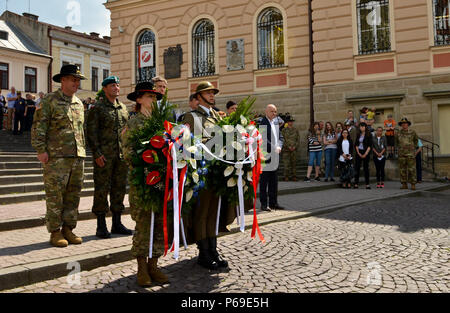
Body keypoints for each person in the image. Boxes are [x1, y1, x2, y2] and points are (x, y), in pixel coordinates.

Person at [31, 64, 86, 248]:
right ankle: (55, 232)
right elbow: (39, 127)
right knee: (55, 196)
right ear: (62, 80)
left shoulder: (79, 103)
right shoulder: (49, 101)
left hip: (77, 157)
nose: (76, 83)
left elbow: (80, 131)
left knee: (73, 195)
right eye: (73, 79)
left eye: (78, 80)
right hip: (56, 158)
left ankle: (68, 229)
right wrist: (40, 150)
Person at [182, 81, 233, 270]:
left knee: (214, 211)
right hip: (201, 172)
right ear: (198, 96)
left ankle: (213, 249)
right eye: (208, 93)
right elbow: (187, 143)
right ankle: (203, 251)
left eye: (213, 93)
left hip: (217, 172)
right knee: (202, 213)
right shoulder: (191, 116)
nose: (212, 95)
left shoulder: (217, 117)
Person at [122, 81, 168, 287]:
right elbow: (128, 154)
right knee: (143, 225)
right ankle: (141, 268)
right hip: (142, 181)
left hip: (160, 182)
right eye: (150, 96)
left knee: (159, 224)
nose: (154, 100)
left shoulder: (160, 123)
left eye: (156, 97)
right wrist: (148, 163)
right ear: (139, 100)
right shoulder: (133, 123)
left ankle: (154, 265)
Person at [87, 76, 132, 239]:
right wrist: (97, 153)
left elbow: (126, 132)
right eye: (112, 85)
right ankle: (101, 225)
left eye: (118, 85)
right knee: (101, 189)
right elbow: (91, 133)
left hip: (120, 156)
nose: (116, 88)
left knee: (119, 189)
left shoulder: (123, 108)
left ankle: (117, 223)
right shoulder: (97, 108)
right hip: (104, 157)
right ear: (105, 88)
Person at [258, 104, 285, 211]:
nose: (274, 113)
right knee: (264, 181)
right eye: (272, 111)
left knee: (274, 181)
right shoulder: (262, 123)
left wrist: (279, 146)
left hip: (275, 155)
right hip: (266, 156)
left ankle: (274, 203)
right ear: (266, 112)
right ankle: (264, 204)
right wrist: (274, 147)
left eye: (275, 111)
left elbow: (281, 137)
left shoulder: (276, 123)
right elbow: (263, 138)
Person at [396, 118, 418, 190]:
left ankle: (413, 184)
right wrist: (399, 150)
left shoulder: (413, 132)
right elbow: (396, 143)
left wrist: (413, 148)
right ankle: (404, 184)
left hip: (410, 154)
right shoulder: (398, 133)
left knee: (412, 169)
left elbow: (416, 141)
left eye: (405, 123)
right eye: (402, 123)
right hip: (401, 154)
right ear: (401, 125)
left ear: (408, 124)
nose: (404, 124)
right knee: (402, 170)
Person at [353, 122, 372, 189]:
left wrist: (365, 154)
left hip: (366, 152)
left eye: (363, 126)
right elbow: (356, 144)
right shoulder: (358, 134)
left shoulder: (369, 134)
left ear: (365, 127)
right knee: (357, 168)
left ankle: (367, 184)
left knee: (366, 168)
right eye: (360, 127)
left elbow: (370, 146)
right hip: (359, 152)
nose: (361, 128)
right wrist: (358, 153)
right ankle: (356, 183)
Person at [281, 115, 299, 181]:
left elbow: (298, 140)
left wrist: (295, 146)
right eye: (289, 121)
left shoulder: (296, 130)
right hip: (286, 150)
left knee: (294, 164)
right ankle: (286, 176)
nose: (291, 123)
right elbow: (282, 140)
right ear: (287, 122)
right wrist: (288, 146)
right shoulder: (283, 130)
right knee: (286, 164)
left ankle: (294, 176)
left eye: (292, 121)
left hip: (294, 150)